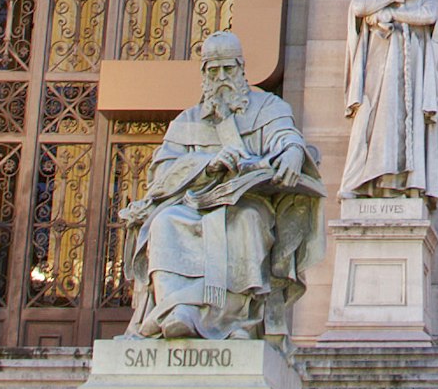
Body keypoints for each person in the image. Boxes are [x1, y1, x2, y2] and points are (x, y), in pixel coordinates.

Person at [122, 31, 324, 339]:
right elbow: (161, 173)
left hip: (246, 204)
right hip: (191, 205)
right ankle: (175, 311)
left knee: (247, 223)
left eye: (228, 69)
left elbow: (286, 136)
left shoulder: (267, 107)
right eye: (213, 71)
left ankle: (236, 321)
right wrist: (208, 165)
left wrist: (294, 153)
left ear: (242, 69)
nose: (221, 78)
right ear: (203, 74)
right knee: (163, 223)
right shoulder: (186, 121)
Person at [340, 0, 438, 202]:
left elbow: (429, 14)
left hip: (412, 64)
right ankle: (365, 181)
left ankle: (405, 184)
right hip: (376, 65)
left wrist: (390, 14)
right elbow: (359, 7)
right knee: (374, 117)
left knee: (407, 120)